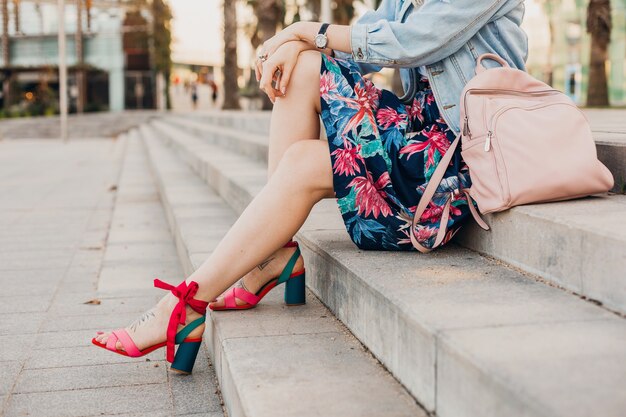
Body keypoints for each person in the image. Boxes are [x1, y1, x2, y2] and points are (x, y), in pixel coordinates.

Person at [92, 0, 528, 374]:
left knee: (301, 158)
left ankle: (185, 304)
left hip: (457, 163)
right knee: (303, 65)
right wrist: (289, 45)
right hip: (417, 139)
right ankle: (271, 254)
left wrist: (302, 30)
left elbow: (409, 42)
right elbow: (366, 41)